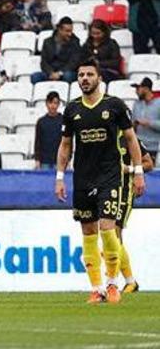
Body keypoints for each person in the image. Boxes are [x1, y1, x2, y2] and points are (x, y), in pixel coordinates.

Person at [55, 57, 143, 304]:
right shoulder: (72, 109)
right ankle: (96, 288)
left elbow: (132, 139)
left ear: (99, 78)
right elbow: (65, 145)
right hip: (82, 178)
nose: (84, 79)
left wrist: (138, 171)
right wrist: (60, 177)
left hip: (110, 177)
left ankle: (113, 284)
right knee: (88, 232)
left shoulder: (114, 106)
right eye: (81, 75)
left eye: (89, 75)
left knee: (108, 228)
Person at [115, 127, 153, 294]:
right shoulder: (104, 137)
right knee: (110, 235)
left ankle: (126, 281)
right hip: (106, 190)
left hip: (125, 190)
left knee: (114, 232)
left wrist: (130, 170)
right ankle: (127, 281)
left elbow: (149, 163)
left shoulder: (129, 138)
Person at [32, 17, 81, 84]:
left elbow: (73, 62)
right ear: (59, 30)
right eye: (67, 31)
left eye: (71, 31)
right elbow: (44, 61)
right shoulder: (47, 42)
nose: (70, 34)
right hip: (50, 72)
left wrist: (60, 73)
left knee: (68, 76)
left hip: (66, 71)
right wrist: (51, 73)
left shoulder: (75, 42)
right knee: (35, 76)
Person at [131, 77, 160, 160]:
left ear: (146, 89)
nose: (136, 91)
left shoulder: (159, 103)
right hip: (138, 146)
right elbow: (132, 123)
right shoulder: (136, 104)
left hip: (154, 147)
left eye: (138, 88)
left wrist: (149, 123)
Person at [34, 91, 63, 170]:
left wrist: (68, 158)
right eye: (50, 103)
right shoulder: (41, 122)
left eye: (55, 103)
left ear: (59, 104)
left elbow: (67, 141)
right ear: (46, 103)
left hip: (60, 161)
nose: (53, 106)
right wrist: (37, 159)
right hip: (44, 161)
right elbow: (38, 142)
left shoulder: (64, 121)